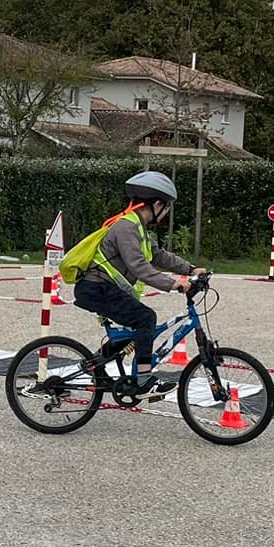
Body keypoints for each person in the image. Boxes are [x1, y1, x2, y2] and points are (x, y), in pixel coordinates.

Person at [72, 169, 205, 396]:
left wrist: (191, 269)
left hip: (104, 288)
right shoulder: (126, 227)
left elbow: (159, 256)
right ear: (156, 204)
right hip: (96, 288)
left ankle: (94, 364)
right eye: (166, 207)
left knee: (134, 328)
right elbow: (139, 266)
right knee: (146, 318)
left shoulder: (138, 227)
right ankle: (143, 380)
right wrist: (173, 284)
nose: (165, 213)